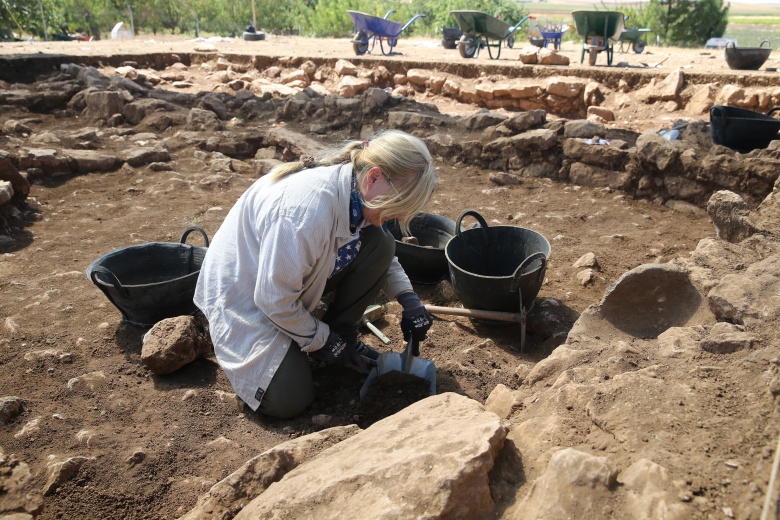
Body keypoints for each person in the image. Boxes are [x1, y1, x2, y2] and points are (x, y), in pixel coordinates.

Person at [194, 130, 437, 419]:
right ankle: (324, 342)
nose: (399, 216)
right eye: (399, 204)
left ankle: (341, 337)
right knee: (288, 399)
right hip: (244, 297)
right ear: (373, 177)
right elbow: (273, 300)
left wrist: (409, 299)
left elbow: (382, 256)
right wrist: (323, 341)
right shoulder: (305, 213)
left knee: (381, 243)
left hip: (280, 281)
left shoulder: (357, 192)